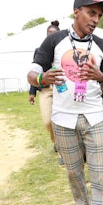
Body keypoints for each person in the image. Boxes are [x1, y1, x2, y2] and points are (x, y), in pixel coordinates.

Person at [27, 0, 103, 205]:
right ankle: (81, 204)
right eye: (91, 13)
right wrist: (42, 79)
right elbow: (32, 72)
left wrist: (100, 77)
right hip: (63, 119)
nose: (95, 19)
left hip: (95, 117)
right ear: (76, 11)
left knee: (101, 176)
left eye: (99, 15)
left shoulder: (102, 46)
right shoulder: (54, 41)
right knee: (74, 171)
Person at [28, 20, 63, 164]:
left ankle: (63, 152)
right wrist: (32, 92)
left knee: (61, 120)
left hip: (62, 88)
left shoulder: (64, 50)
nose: (50, 38)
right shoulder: (39, 50)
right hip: (45, 89)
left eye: (53, 35)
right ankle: (56, 141)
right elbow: (34, 71)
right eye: (48, 35)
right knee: (48, 121)